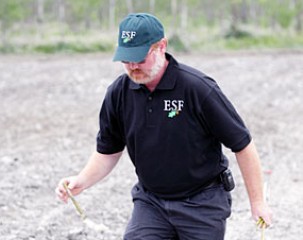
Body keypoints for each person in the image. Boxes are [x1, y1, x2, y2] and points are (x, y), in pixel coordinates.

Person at [55, 13, 272, 239]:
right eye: (126, 59)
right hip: (151, 203)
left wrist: (258, 203)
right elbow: (108, 150)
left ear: (161, 46)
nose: (132, 66)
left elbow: (243, 145)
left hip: (202, 203)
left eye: (139, 58)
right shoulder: (119, 93)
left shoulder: (197, 88)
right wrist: (81, 180)